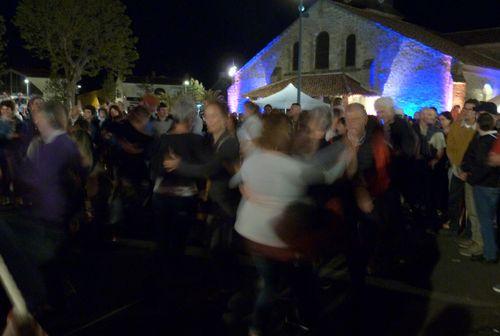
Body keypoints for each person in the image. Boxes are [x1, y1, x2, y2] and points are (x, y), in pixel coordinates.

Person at [231, 113, 349, 336]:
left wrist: (250, 191)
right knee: (290, 283)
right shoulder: (292, 166)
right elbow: (329, 176)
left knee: (269, 281)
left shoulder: (252, 159)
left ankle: (259, 322)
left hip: (250, 233)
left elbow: (235, 180)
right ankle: (268, 322)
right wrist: (346, 156)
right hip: (280, 237)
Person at [150, 97, 207, 283]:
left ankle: (162, 278)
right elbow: (203, 171)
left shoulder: (163, 140)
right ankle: (176, 279)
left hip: (160, 196)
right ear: (191, 118)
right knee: (179, 241)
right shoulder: (195, 141)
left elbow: (154, 171)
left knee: (163, 240)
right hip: (184, 197)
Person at [461, 107, 499, 263]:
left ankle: (488, 253)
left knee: (485, 220)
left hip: (485, 185)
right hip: (489, 184)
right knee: (486, 219)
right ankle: (488, 250)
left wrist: (471, 177)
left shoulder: (487, 141)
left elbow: (486, 165)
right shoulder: (491, 139)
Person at [375, 97, 417, 208]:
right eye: (378, 112)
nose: (379, 115)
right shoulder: (387, 125)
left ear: (389, 110)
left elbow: (407, 149)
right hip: (393, 169)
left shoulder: (400, 125)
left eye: (381, 111)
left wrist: (390, 148)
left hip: (401, 169)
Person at [446, 99, 479, 243]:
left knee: (471, 203)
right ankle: (454, 226)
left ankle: (469, 231)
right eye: (465, 108)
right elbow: (450, 146)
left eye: (470, 109)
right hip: (457, 169)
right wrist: (456, 165)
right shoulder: (457, 125)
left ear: (476, 112)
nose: (466, 111)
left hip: (472, 172)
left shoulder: (479, 129)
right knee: (455, 199)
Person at [413, 107, 446, 229]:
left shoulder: (437, 132)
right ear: (422, 116)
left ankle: (429, 222)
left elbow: (439, 152)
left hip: (429, 167)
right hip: (415, 166)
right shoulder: (413, 129)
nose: (433, 117)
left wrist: (434, 160)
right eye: (429, 115)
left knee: (429, 195)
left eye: (433, 115)